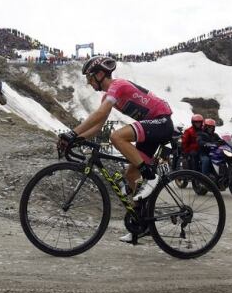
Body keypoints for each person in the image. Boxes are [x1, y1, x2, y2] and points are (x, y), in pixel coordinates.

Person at [57, 55, 173, 243]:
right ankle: (143, 225)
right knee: (130, 176)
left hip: (161, 121)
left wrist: (71, 133)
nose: (88, 82)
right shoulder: (107, 95)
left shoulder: (117, 86)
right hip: (150, 126)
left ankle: (151, 177)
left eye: (90, 77)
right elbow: (98, 125)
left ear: (101, 74)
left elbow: (100, 113)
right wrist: (76, 139)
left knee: (117, 136)